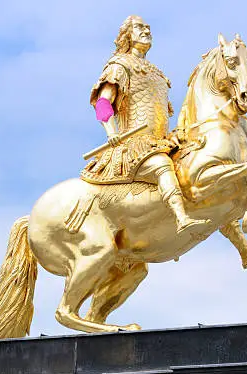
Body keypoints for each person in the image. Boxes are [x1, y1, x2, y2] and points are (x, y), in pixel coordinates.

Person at [81, 15, 211, 233]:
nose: (147, 31)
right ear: (127, 35)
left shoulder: (156, 72)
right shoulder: (119, 65)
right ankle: (181, 218)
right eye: (140, 27)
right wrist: (112, 132)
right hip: (135, 145)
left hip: (160, 142)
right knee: (162, 165)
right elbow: (103, 102)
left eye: (148, 27)